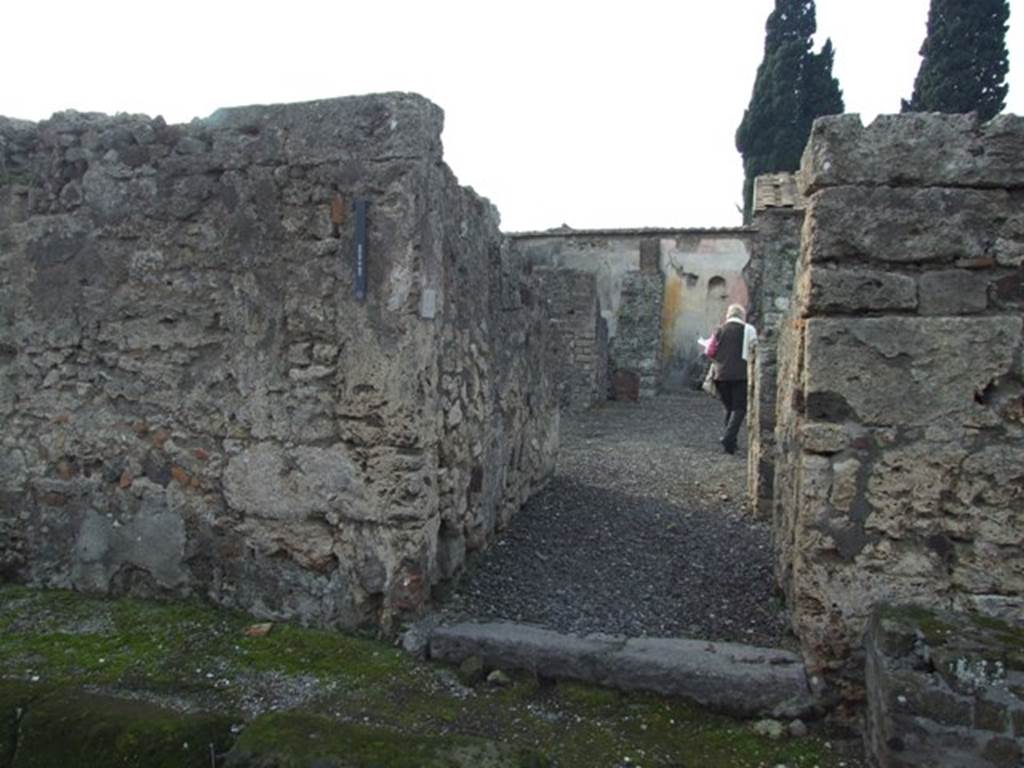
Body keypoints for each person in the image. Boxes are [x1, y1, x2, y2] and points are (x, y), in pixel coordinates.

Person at [708, 304, 757, 454]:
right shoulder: (748, 329)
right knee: (739, 408)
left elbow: (710, 351)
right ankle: (729, 438)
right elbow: (754, 349)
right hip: (740, 374)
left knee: (729, 408)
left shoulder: (719, 330)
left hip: (720, 375)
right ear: (742, 316)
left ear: (728, 315)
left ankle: (731, 444)